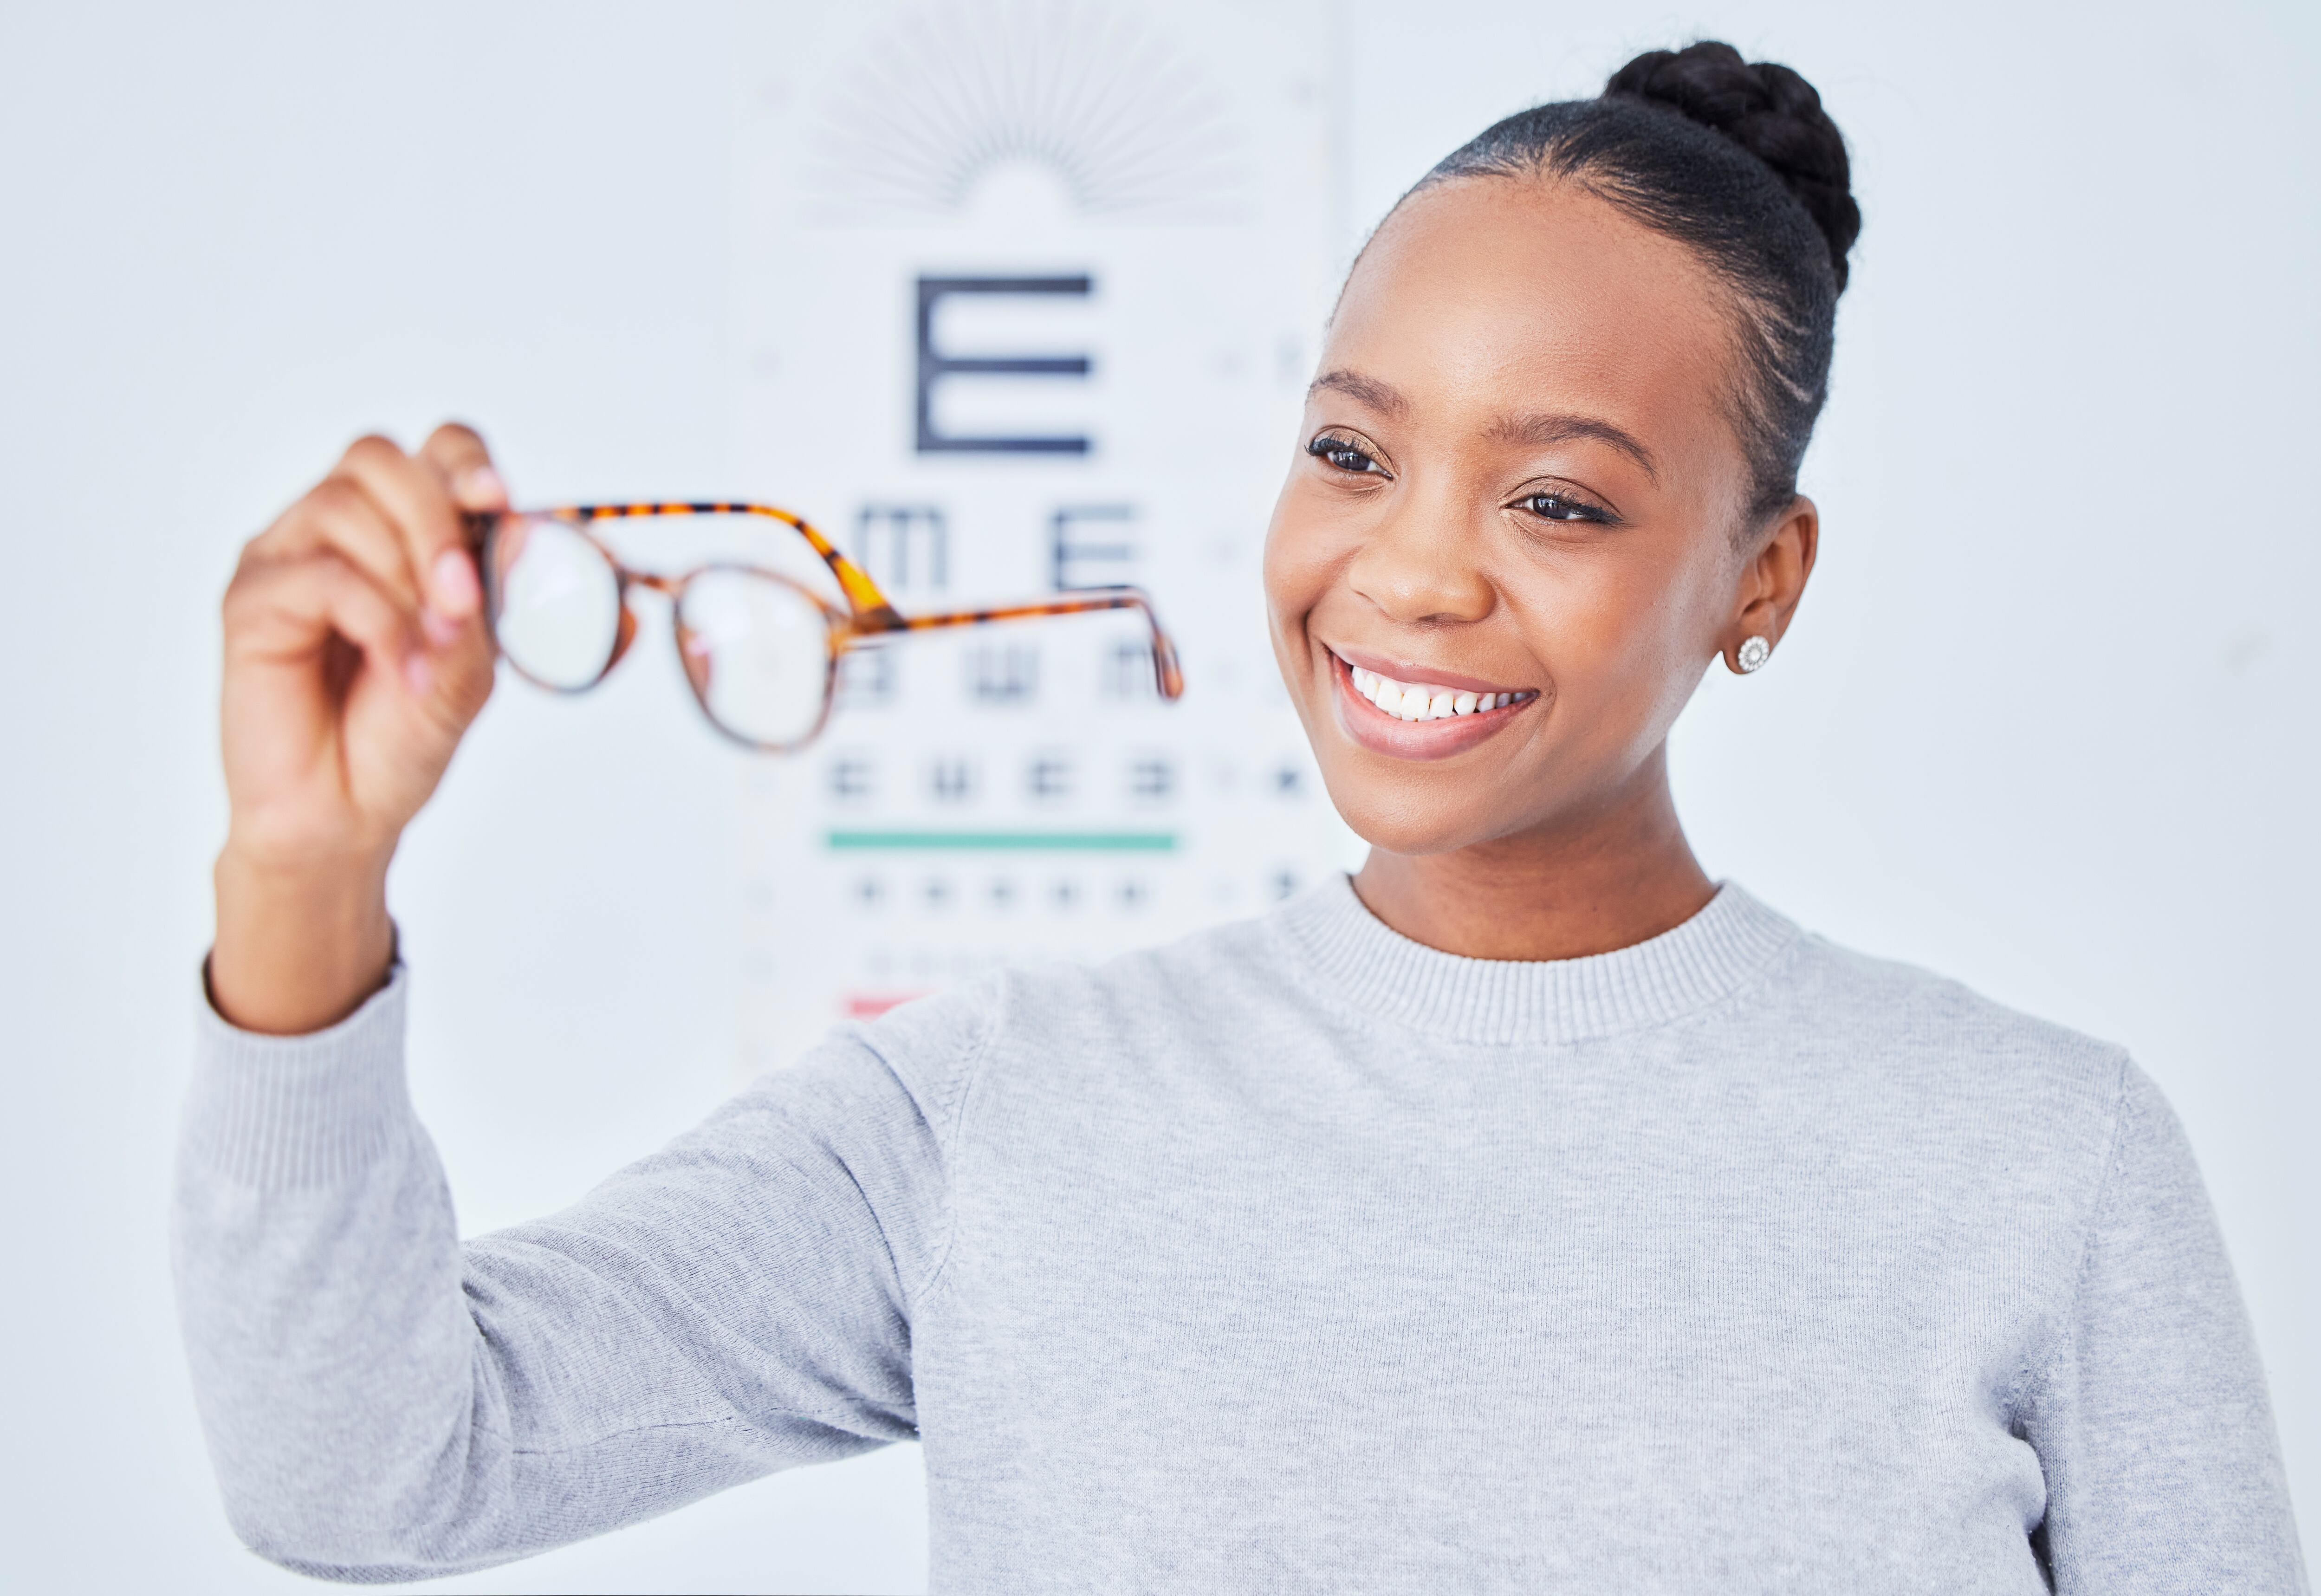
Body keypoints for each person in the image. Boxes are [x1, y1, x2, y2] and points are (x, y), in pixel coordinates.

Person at [174, 40, 2306, 1594]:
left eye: (1553, 498)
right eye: (1350, 450)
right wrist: (301, 868)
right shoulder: (991, 1112)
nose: (1411, 570)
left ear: (1761, 578)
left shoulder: (2041, 1157)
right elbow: (365, 1465)